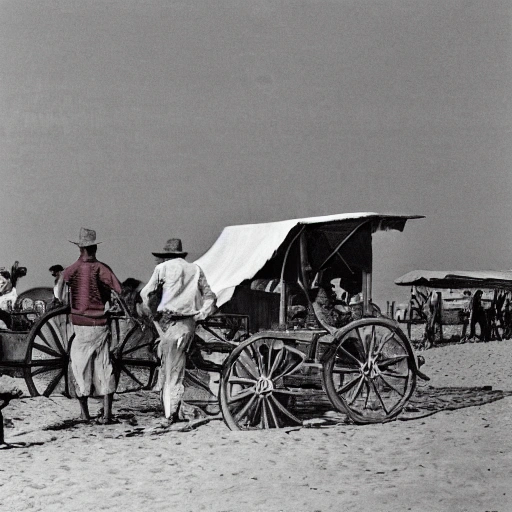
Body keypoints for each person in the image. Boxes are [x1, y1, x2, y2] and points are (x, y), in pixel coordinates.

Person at [140, 238, 217, 423]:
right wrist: (200, 315)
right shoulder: (195, 269)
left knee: (171, 371)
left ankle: (170, 415)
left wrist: (150, 313)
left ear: (166, 256)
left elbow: (145, 293)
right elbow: (210, 297)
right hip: (188, 324)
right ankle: (176, 407)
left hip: (170, 323)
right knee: (175, 367)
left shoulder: (162, 269)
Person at [62, 228, 122, 424]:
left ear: (80, 249)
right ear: (95, 248)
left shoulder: (70, 270)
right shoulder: (102, 268)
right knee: (104, 366)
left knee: (80, 367)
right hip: (100, 325)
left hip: (80, 325)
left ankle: (85, 413)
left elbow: (59, 293)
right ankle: (107, 415)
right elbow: (119, 289)